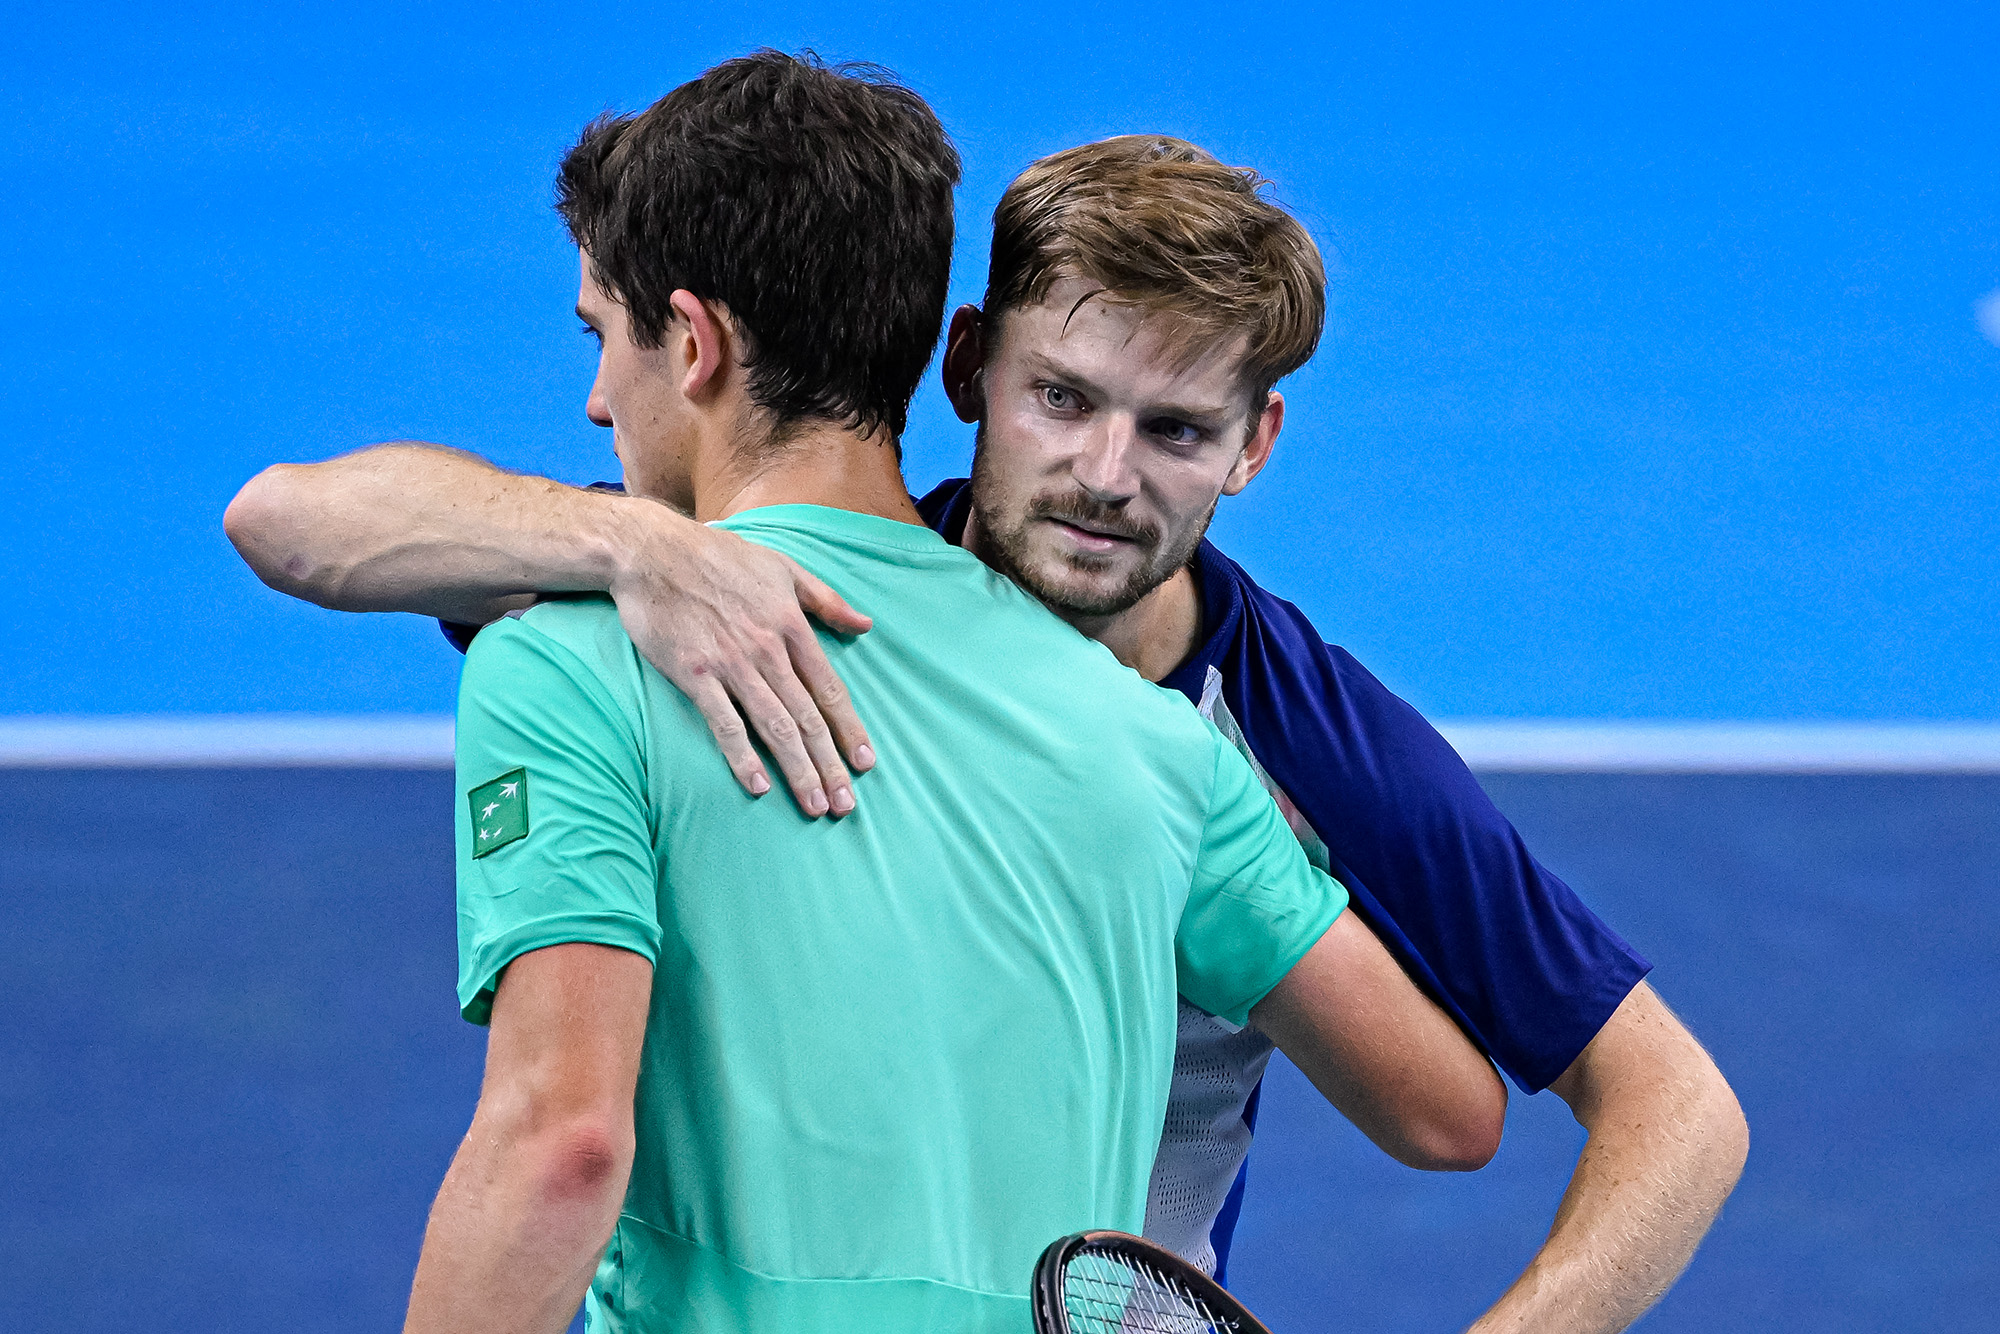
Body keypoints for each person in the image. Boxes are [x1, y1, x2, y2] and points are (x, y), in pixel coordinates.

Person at [226, 123, 1746, 1334]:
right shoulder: (736, 590)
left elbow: (1652, 1109)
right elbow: (296, 517)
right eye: (1062, 401)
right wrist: (639, 544)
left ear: (1254, 445)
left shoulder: (1290, 747)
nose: (1103, 475)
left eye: (1175, 430)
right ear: (969, 373)